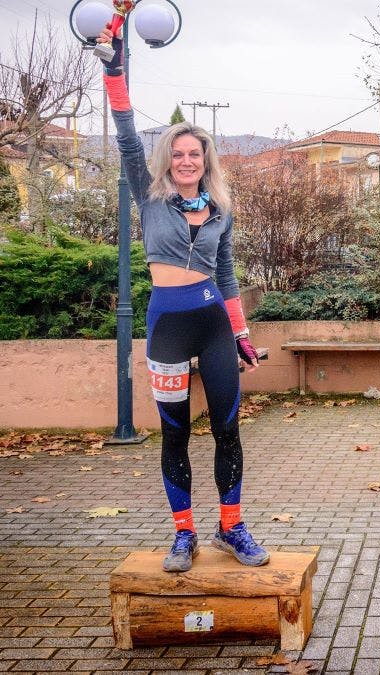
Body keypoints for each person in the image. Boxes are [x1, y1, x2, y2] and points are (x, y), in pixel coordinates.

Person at [98, 26, 268, 572]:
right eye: (178, 153)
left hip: (214, 323)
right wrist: (115, 70)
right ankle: (183, 534)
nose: (186, 160)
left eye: (195, 153)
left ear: (206, 159)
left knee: (227, 429)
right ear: (166, 160)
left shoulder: (220, 209)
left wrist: (241, 334)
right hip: (168, 323)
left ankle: (232, 527)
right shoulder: (150, 199)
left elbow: (226, 272)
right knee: (174, 433)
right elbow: (126, 136)